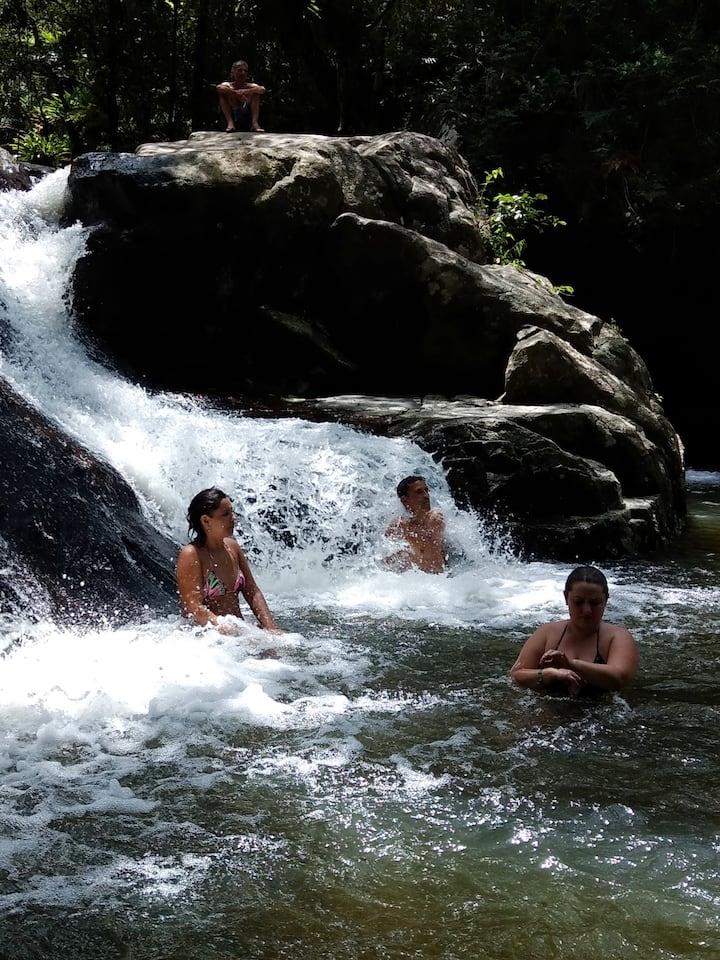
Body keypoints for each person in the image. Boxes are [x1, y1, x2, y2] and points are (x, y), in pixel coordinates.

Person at [510, 565, 639, 696]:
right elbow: (516, 675)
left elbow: (619, 678)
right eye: (578, 602)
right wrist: (549, 674)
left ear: (605, 600)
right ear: (566, 598)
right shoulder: (547, 633)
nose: (587, 610)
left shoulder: (617, 637)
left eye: (594, 603)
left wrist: (571, 664)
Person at [176, 487, 279, 635]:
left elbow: (252, 591)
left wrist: (271, 628)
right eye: (225, 514)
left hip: (237, 631)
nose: (233, 518)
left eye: (232, 512)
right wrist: (222, 626)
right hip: (208, 637)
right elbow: (192, 606)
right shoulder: (191, 554)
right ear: (206, 521)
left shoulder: (232, 547)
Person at [384, 475, 446, 574]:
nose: (426, 496)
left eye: (426, 490)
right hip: (415, 580)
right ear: (405, 500)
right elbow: (387, 564)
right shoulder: (399, 527)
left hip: (444, 579)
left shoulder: (436, 520)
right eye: (419, 492)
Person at [215, 60, 265, 132]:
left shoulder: (250, 86)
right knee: (224, 93)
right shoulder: (228, 84)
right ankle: (230, 123)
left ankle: (254, 123)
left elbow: (262, 89)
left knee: (256, 93)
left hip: (246, 118)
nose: (243, 73)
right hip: (231, 116)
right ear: (233, 72)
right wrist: (236, 94)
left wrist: (246, 91)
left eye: (245, 71)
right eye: (240, 70)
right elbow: (219, 88)